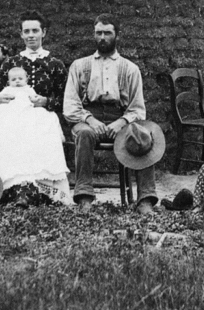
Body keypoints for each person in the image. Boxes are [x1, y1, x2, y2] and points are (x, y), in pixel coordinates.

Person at [63, 14, 158, 214]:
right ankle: (84, 197)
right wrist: (89, 119)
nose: (103, 37)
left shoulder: (130, 69)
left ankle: (145, 199)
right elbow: (70, 105)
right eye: (99, 33)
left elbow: (138, 109)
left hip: (120, 118)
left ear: (117, 35)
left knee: (144, 135)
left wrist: (121, 122)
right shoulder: (80, 66)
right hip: (88, 117)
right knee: (85, 134)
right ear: (94, 35)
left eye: (108, 33)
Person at [0, 11, 71, 206]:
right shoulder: (10, 63)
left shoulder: (55, 64)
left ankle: (41, 190)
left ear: (43, 32)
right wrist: (0, 99)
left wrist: (46, 101)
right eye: (26, 31)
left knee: (39, 131)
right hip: (13, 114)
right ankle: (9, 188)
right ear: (21, 34)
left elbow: (65, 99)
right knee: (3, 130)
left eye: (35, 30)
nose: (30, 35)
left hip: (42, 116)